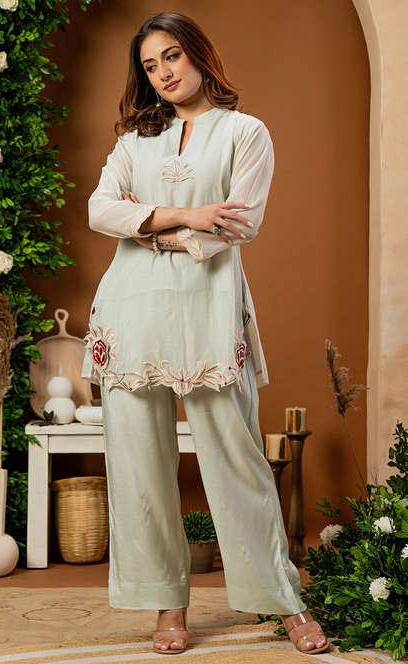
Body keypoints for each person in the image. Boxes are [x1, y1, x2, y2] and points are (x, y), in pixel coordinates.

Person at [81, 10, 331, 656]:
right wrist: (187, 215)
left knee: (237, 461)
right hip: (131, 313)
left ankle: (285, 599)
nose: (163, 73)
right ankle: (168, 605)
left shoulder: (245, 133)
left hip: (208, 309)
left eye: (171, 56)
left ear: (197, 53)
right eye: (150, 66)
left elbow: (238, 224)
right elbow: (100, 208)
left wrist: (152, 232)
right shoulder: (134, 142)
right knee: (139, 467)